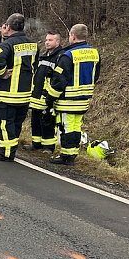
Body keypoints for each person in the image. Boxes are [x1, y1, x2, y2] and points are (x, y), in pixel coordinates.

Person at [45, 23, 101, 164]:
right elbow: (96, 75)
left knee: (67, 127)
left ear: (73, 36)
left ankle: (66, 156)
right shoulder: (94, 53)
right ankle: (73, 153)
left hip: (67, 99)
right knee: (76, 127)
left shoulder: (68, 55)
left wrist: (50, 98)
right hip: (84, 98)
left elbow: (59, 81)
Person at [0, 13, 37, 161]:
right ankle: (11, 150)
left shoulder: (7, 44)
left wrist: (1, 73)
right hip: (25, 93)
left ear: (8, 27)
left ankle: (6, 153)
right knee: (16, 123)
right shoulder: (33, 45)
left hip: (8, 94)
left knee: (5, 123)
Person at [25, 31, 63, 152]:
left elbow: (58, 79)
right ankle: (36, 144)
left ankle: (48, 147)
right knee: (35, 120)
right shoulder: (43, 55)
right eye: (46, 40)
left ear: (58, 41)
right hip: (37, 94)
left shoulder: (60, 57)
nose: (47, 42)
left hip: (49, 95)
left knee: (47, 121)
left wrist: (51, 95)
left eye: (50, 40)